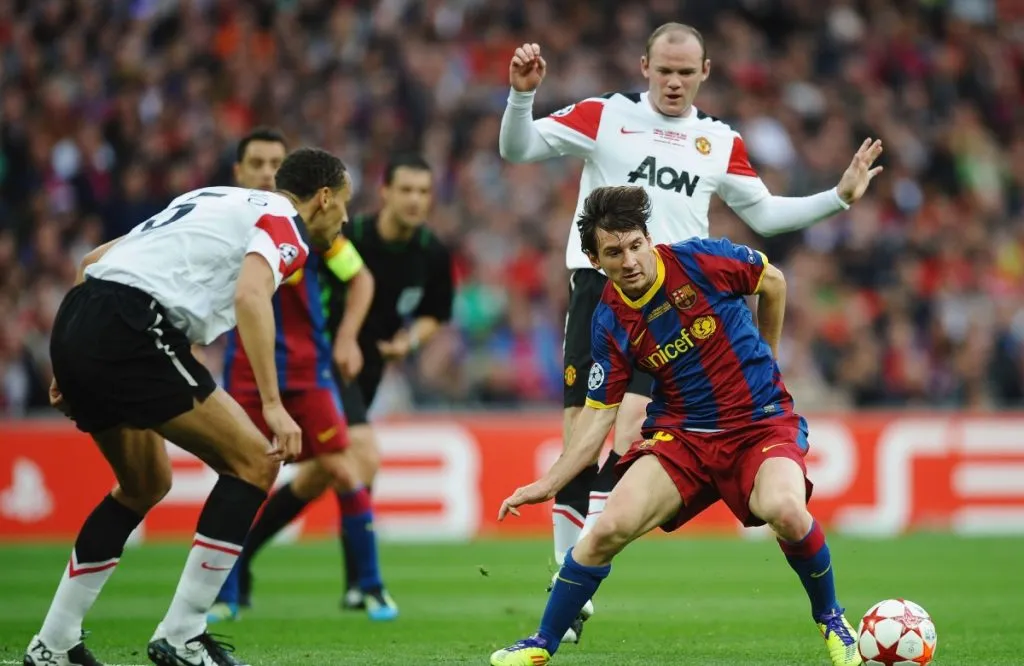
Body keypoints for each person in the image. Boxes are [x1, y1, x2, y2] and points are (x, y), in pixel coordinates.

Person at [498, 22, 883, 642]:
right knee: (581, 435)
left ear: (705, 72)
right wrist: (521, 96)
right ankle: (568, 579)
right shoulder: (605, 115)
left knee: (627, 428)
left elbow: (765, 214)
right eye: (664, 70)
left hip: (683, 298)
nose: (673, 82)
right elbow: (518, 150)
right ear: (644, 66)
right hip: (603, 293)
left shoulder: (718, 141)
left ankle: (597, 546)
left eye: (685, 72)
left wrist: (836, 198)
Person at [489, 186, 862, 666]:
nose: (629, 261)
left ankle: (832, 619)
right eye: (614, 253)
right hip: (683, 438)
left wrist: (768, 354)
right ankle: (543, 643)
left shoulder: (700, 260)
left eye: (635, 245)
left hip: (759, 424)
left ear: (649, 239)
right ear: (595, 261)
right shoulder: (609, 320)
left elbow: (773, 281)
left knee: (786, 511)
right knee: (606, 530)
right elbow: (598, 417)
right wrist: (547, 484)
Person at [25, 147, 350, 666]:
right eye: (345, 204)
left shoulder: (212, 197)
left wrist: (69, 362)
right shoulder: (285, 223)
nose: (346, 219)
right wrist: (273, 405)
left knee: (144, 484)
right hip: (133, 326)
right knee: (254, 462)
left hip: (81, 317)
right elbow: (250, 296)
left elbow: (91, 263)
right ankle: (183, 635)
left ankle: (54, 643)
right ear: (325, 197)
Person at [228, 153, 453, 612]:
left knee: (318, 476)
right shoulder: (349, 234)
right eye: (406, 190)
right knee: (362, 456)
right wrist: (346, 337)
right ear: (385, 193)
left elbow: (436, 313)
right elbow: (347, 280)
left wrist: (409, 341)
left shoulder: (432, 251)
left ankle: (242, 554)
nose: (415, 200)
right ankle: (360, 584)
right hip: (328, 363)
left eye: (423, 192)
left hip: (368, 371)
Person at [205, 129, 395, 623]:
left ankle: (370, 587)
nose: (267, 171)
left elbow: (361, 279)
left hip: (310, 371)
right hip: (248, 373)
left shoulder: (309, 230)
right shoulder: (231, 224)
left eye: (276, 162)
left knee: (344, 468)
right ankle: (227, 592)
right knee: (241, 478)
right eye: (257, 163)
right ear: (238, 172)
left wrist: (348, 336)